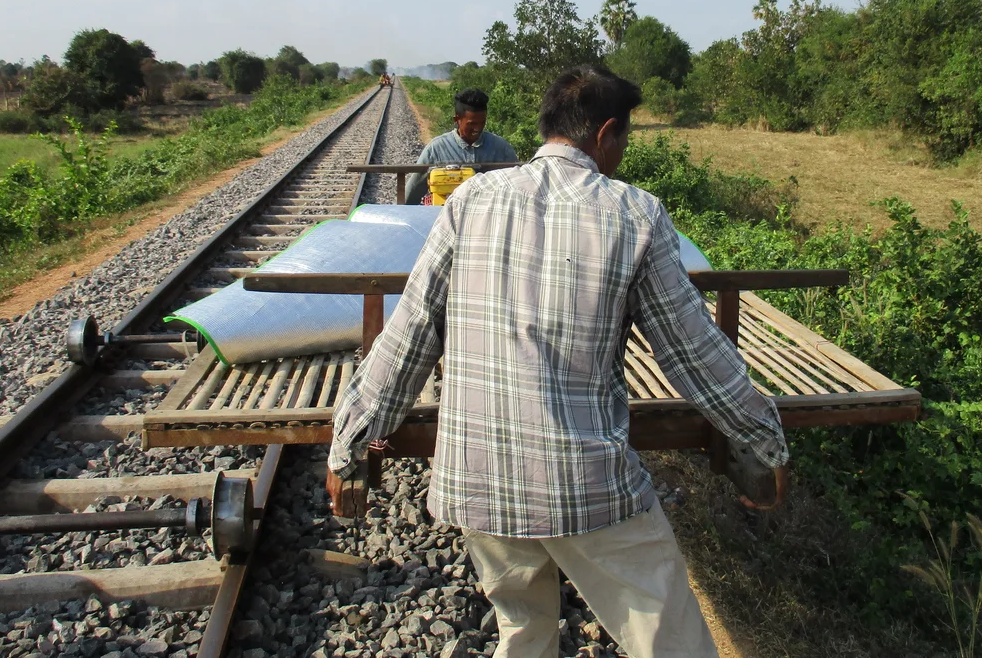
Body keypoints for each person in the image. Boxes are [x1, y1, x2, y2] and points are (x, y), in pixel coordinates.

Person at [327, 65, 789, 658]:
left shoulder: (469, 201)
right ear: (607, 135)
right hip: (585, 482)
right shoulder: (633, 213)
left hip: (479, 481)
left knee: (523, 632)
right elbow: (693, 354)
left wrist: (350, 441)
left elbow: (410, 336)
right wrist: (764, 438)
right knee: (671, 640)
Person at [403, 87, 518, 204]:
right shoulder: (436, 149)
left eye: (482, 122)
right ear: (457, 119)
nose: (477, 128)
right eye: (472, 124)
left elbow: (517, 186)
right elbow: (412, 192)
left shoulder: (501, 149)